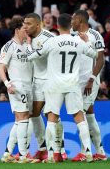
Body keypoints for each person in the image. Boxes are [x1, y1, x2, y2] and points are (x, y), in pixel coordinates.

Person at [27, 13, 97, 163]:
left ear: (57, 26)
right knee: (79, 118)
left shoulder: (52, 41)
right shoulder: (78, 42)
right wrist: (87, 42)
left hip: (54, 85)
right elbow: (94, 54)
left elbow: (32, 56)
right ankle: (88, 152)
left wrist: (28, 44)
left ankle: (52, 155)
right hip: (73, 85)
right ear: (71, 26)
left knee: (51, 119)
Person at [0, 17, 39, 163]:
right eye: (24, 28)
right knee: (23, 119)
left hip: (28, 85)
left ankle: (8, 153)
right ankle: (24, 155)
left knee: (20, 119)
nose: (26, 30)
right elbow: (1, 68)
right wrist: (7, 83)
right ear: (17, 30)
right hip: (17, 86)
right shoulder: (9, 46)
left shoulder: (26, 45)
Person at [70, 9, 107, 162]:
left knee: (81, 115)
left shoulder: (95, 35)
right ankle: (100, 151)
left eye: (73, 19)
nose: (71, 22)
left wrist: (91, 79)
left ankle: (85, 151)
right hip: (77, 81)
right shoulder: (72, 36)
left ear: (80, 21)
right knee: (89, 116)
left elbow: (101, 59)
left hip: (89, 82)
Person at [23, 13, 56, 161]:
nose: (25, 27)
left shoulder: (49, 38)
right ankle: (42, 148)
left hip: (50, 80)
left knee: (51, 115)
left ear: (38, 25)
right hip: (37, 81)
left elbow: (32, 56)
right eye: (24, 23)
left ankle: (58, 149)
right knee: (34, 114)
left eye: (28, 24)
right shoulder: (27, 38)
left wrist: (28, 43)